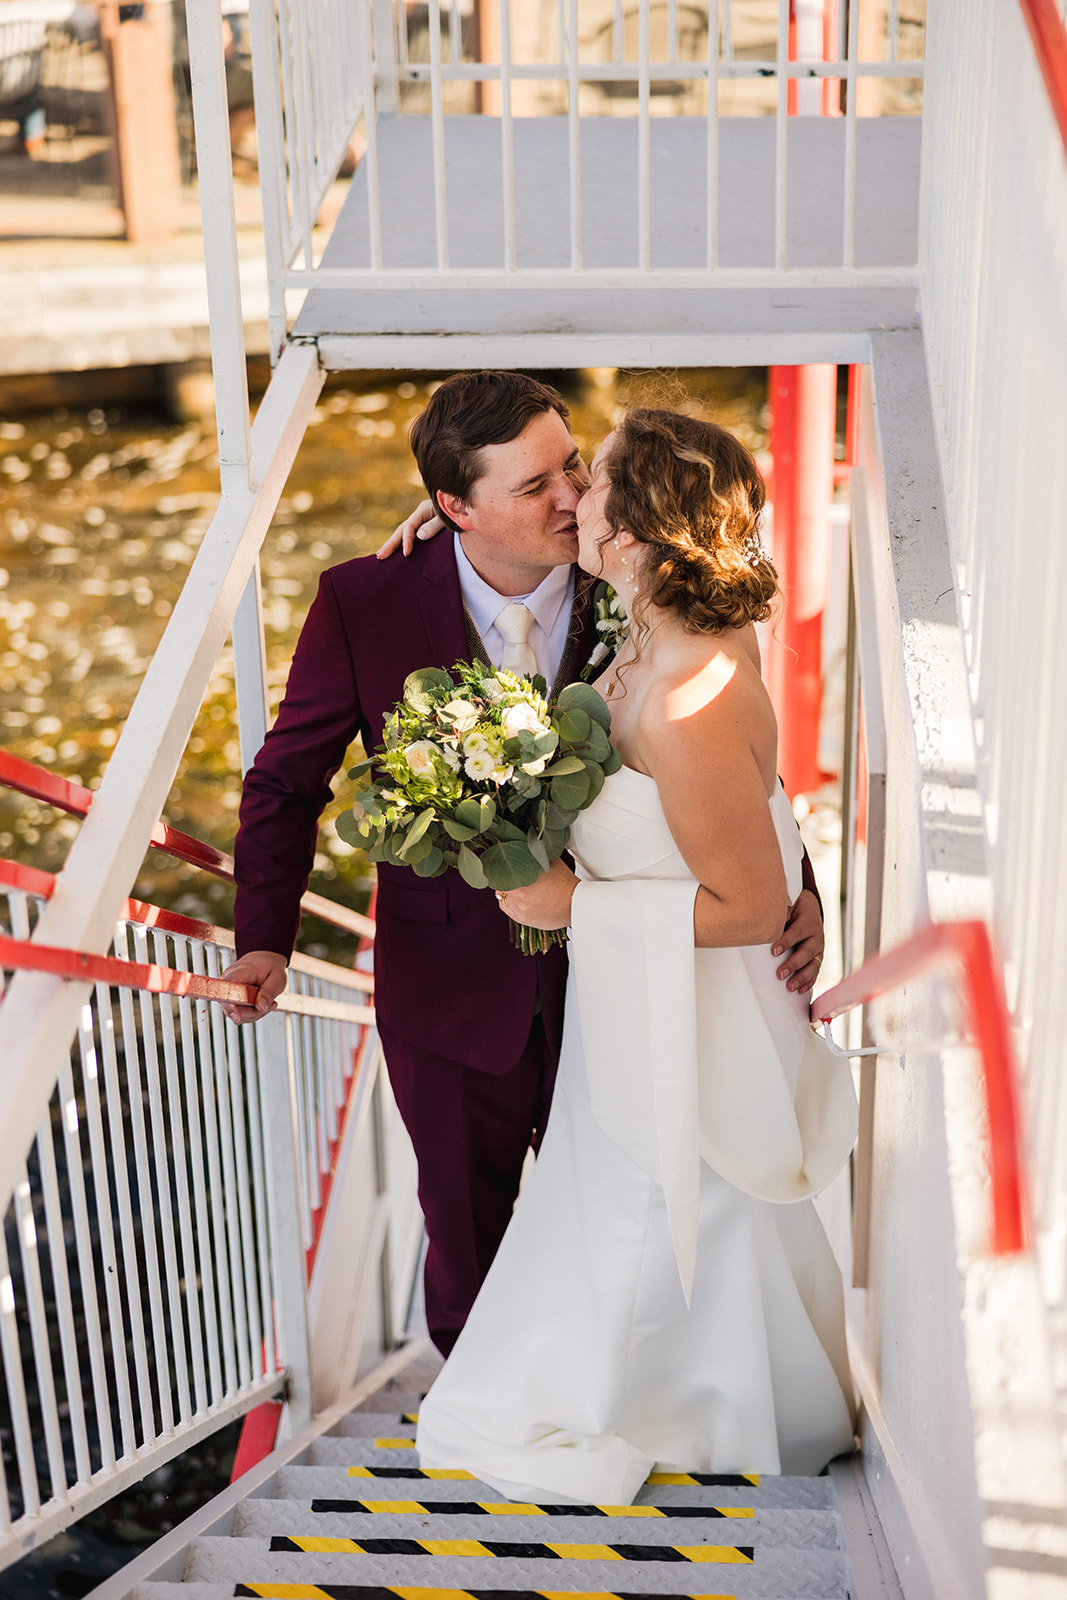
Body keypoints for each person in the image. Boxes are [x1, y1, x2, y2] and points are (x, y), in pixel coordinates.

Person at [221, 371, 825, 1358]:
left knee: (639, 1225)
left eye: (573, 466)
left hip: (629, 987)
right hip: (450, 988)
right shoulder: (361, 601)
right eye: (534, 484)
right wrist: (262, 941)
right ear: (453, 507)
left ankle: (637, 1388)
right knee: (467, 1242)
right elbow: (287, 786)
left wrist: (797, 886)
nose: (571, 495)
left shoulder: (632, 576)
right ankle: (480, 1413)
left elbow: (730, 760)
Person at [414, 408, 858, 1501]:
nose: (575, 492)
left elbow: (749, 899)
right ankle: (663, 1385)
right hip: (643, 995)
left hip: (693, 1001)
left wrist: (572, 904)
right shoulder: (644, 637)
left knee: (685, 1194)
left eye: (595, 476)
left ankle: (708, 1401)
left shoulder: (685, 694)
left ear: (646, 520)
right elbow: (759, 812)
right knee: (625, 1190)